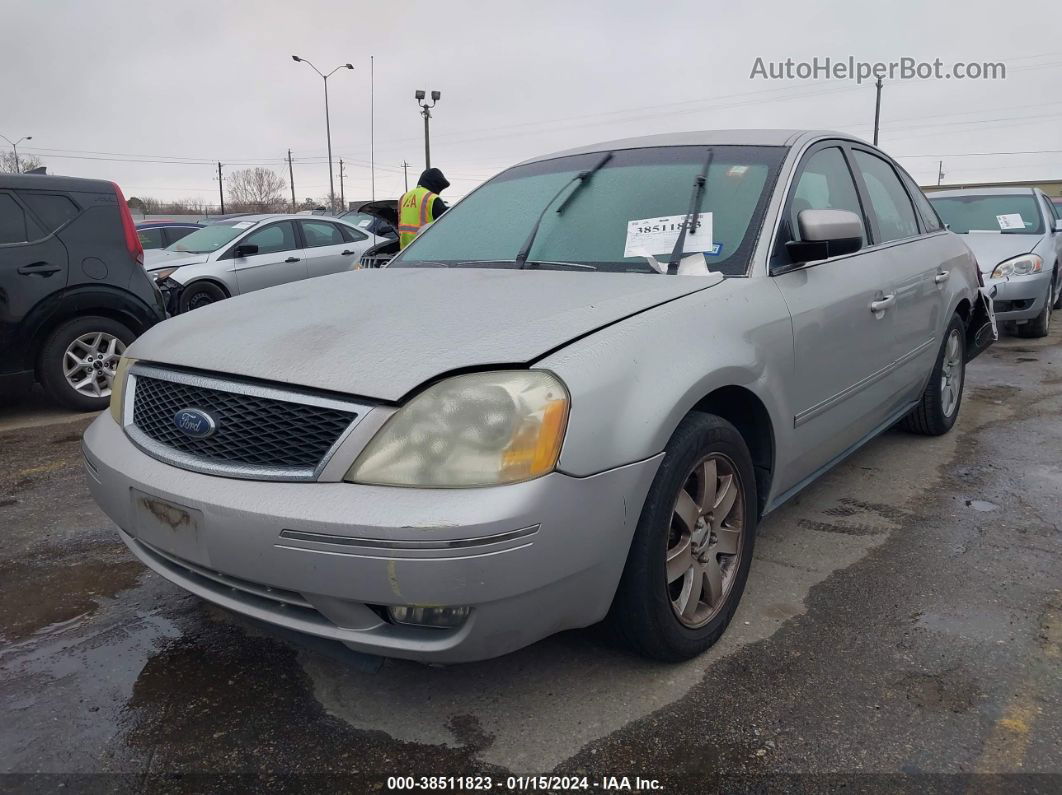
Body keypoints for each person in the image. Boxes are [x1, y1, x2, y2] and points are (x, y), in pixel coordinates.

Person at [397, 168, 450, 249]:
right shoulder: (431, 198)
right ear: (434, 184)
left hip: (404, 252)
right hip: (424, 249)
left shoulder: (404, 197)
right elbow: (447, 221)